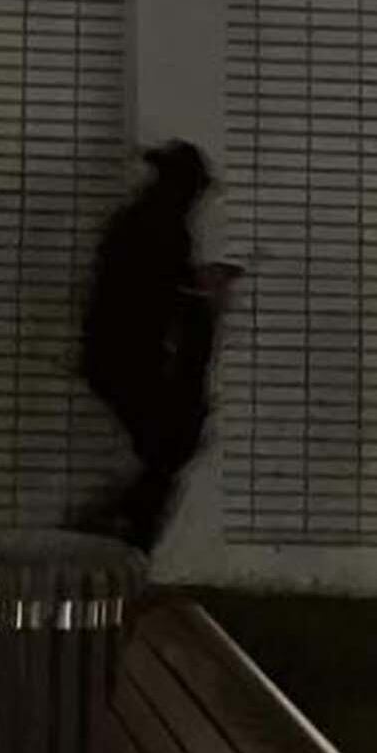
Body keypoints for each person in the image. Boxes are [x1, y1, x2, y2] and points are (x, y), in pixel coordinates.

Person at [79, 141, 229, 552]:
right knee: (171, 446)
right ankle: (117, 532)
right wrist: (201, 296)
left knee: (166, 450)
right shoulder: (164, 227)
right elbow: (161, 295)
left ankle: (117, 524)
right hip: (130, 358)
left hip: (116, 357)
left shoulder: (136, 220)